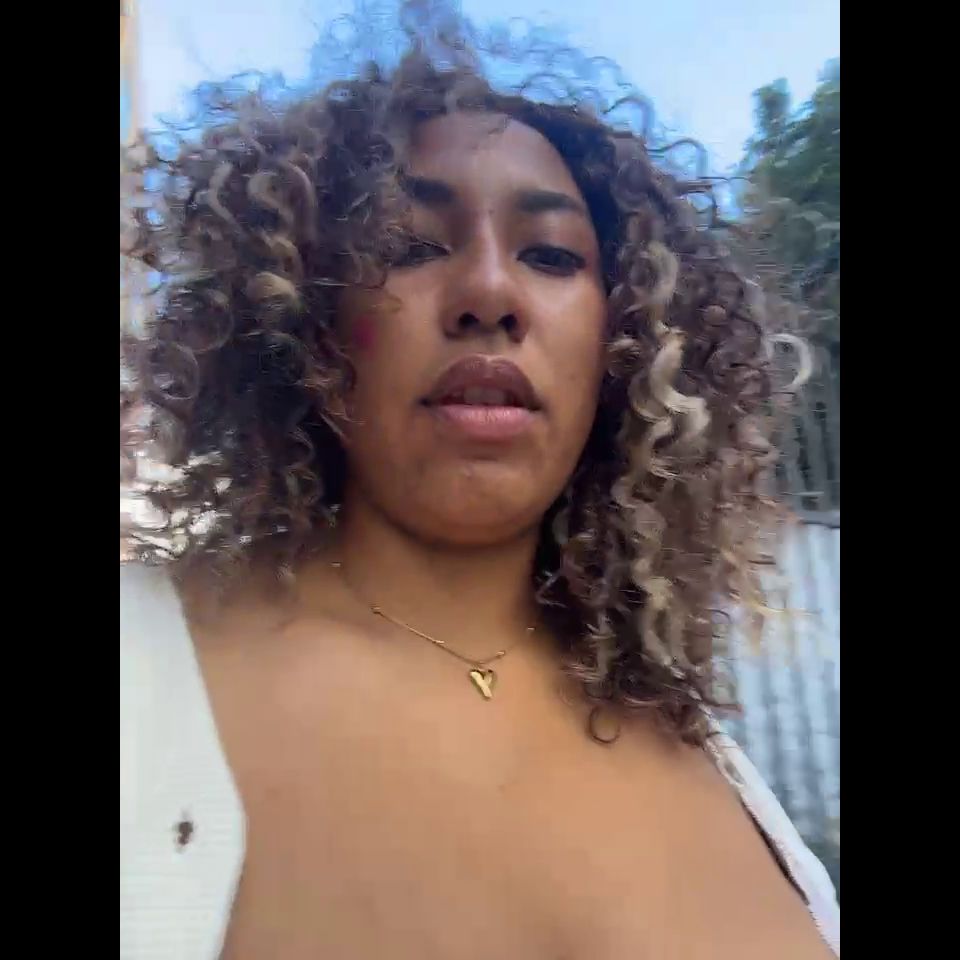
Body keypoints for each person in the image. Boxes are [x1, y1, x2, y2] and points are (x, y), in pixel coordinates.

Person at [120, 10, 839, 958]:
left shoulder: (718, 765)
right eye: (411, 244)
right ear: (307, 321)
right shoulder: (140, 674)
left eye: (552, 255)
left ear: (624, 342)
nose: (490, 292)